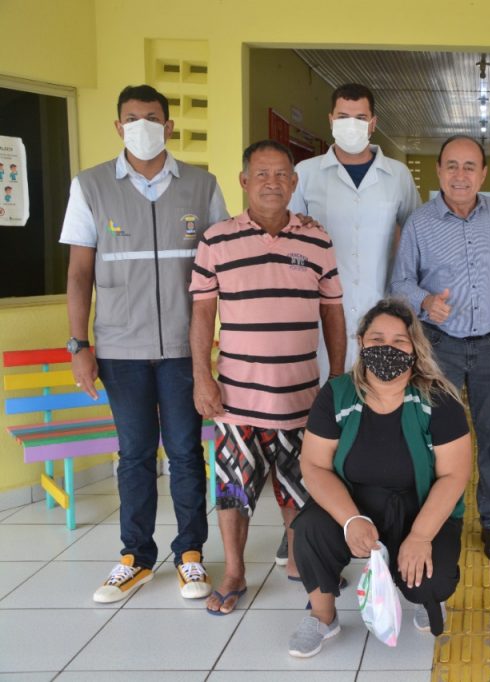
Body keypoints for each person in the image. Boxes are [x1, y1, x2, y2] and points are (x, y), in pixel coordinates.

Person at [61, 84, 229, 603]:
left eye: (152, 117)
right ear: (117, 127)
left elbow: (225, 264)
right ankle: (135, 555)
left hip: (184, 349)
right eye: (131, 117)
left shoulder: (202, 186)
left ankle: (191, 555)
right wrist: (78, 345)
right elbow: (79, 273)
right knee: (133, 455)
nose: (142, 125)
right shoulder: (90, 186)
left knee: (184, 453)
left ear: (169, 126)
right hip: (119, 349)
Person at [189, 140, 346, 615]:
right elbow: (201, 315)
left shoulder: (317, 240)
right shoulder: (216, 240)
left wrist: (337, 380)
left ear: (295, 184)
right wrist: (202, 377)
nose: (272, 182)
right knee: (233, 491)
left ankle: (301, 560)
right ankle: (235, 571)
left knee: (300, 488)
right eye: (261, 174)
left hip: (301, 399)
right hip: (235, 402)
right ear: (243, 181)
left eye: (282, 175)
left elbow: (333, 315)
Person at [287, 299, 471, 657]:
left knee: (430, 580)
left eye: (400, 341)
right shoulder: (337, 394)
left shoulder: (439, 398)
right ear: (361, 342)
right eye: (377, 338)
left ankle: (419, 595)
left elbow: (454, 475)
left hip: (420, 510)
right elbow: (314, 466)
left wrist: (420, 536)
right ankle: (323, 617)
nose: (388, 348)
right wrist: (351, 519)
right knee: (308, 527)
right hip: (355, 505)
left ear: (415, 348)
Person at [390, 135, 490, 561]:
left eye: (469, 166)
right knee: (436, 438)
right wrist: (424, 301)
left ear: (483, 173)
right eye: (452, 165)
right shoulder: (420, 222)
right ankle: (439, 522)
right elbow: (400, 282)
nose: (460, 174)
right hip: (440, 346)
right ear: (438, 171)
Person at [290, 82, 421, 373]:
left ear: (372, 123)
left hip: (382, 310)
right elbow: (288, 239)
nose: (352, 125)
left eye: (360, 118)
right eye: (343, 117)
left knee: (379, 397)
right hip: (321, 311)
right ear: (331, 120)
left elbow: (418, 237)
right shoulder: (305, 174)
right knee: (327, 394)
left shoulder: (398, 176)